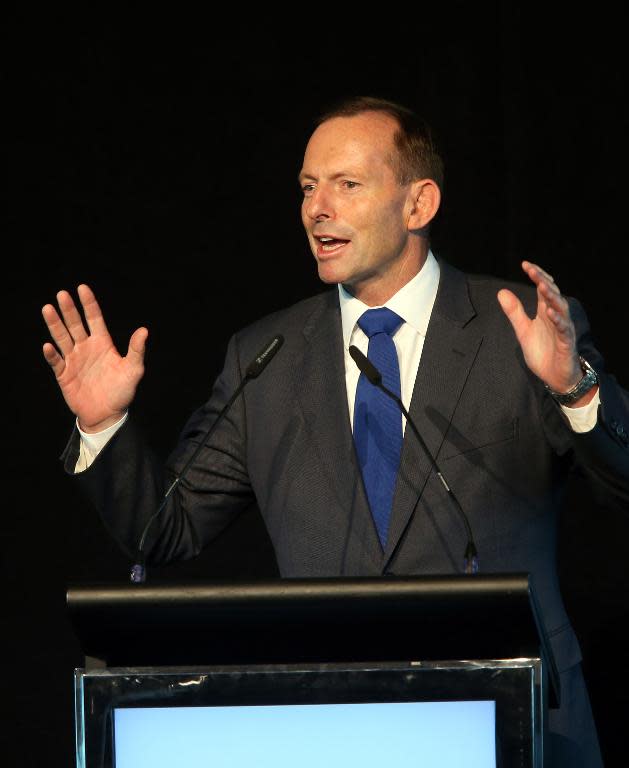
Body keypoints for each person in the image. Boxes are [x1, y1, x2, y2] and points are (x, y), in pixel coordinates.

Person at [42, 96, 628, 766]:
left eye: (346, 185)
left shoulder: (518, 327)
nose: (316, 208)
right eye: (307, 187)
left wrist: (574, 391)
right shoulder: (266, 355)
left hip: (515, 720)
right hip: (331, 723)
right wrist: (103, 425)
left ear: (418, 204)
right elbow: (164, 531)